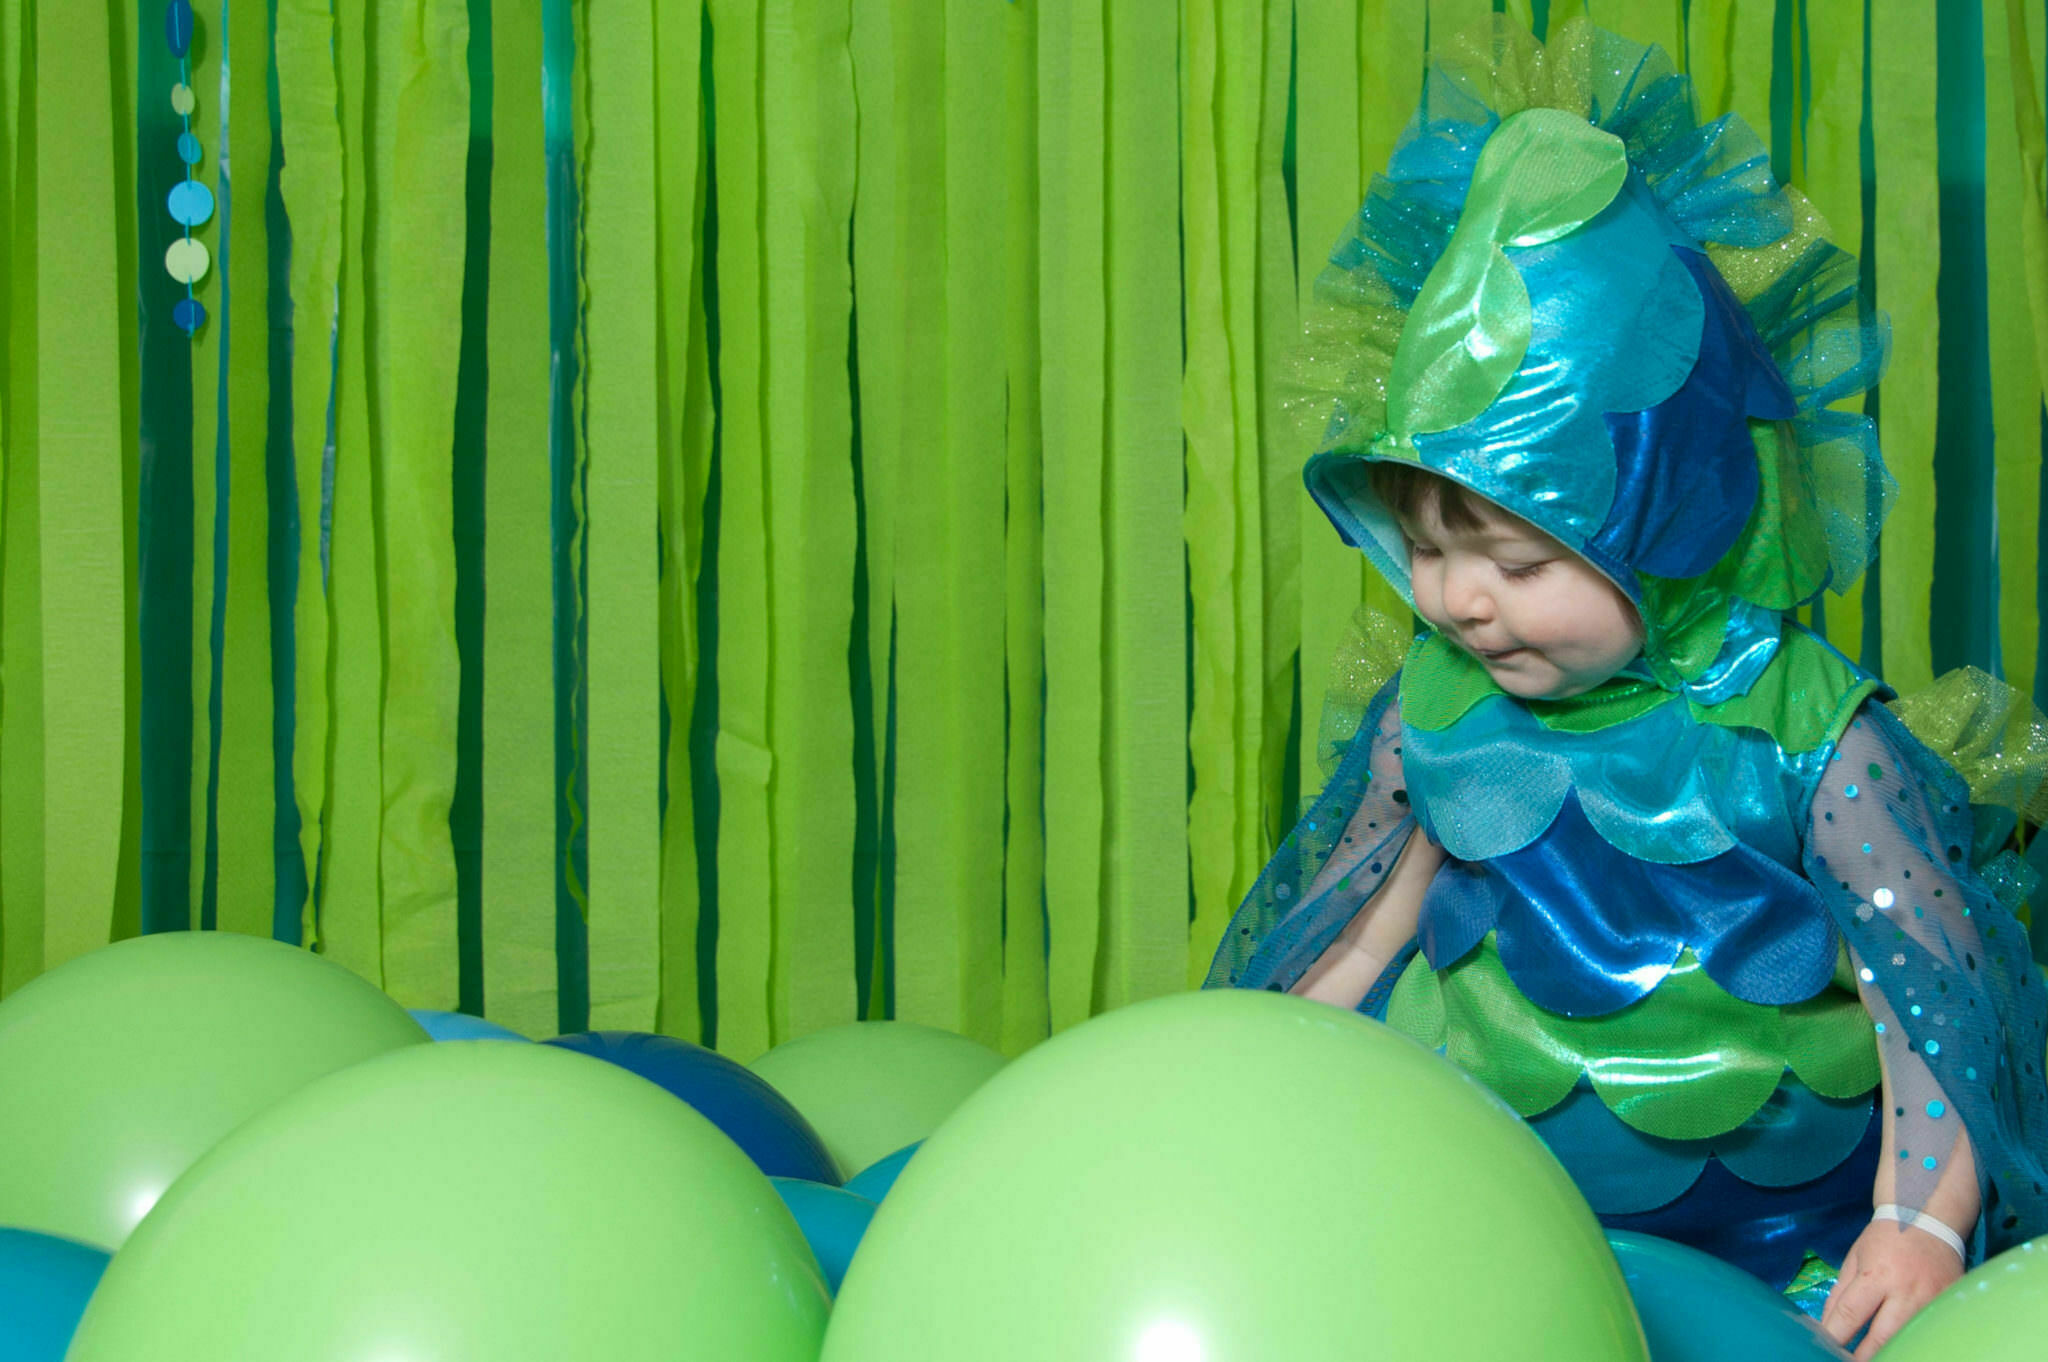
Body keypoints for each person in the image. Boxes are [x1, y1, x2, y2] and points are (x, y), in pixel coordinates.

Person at [1205, 19, 2048, 1357]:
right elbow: (1355, 940)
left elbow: (1926, 992)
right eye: (1424, 548)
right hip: (1478, 1217)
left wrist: (1921, 1221)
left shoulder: (1816, 738)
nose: (1457, 599)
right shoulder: (1433, 711)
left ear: (1669, 520)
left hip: (1792, 1242)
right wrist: (1246, 1115)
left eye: (1520, 561)